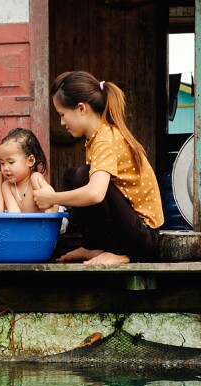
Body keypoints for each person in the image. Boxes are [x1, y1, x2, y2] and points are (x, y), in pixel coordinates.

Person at [33, 70, 164, 264]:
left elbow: (95, 194)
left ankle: (121, 254)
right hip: (133, 231)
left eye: (62, 114)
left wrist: (52, 198)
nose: (62, 122)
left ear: (81, 108)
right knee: (73, 176)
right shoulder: (96, 137)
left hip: (142, 238)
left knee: (84, 177)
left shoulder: (105, 139)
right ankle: (94, 246)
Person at [0, 127, 58, 213]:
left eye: (11, 162)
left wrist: (48, 219)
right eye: (2, 163)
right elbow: (14, 212)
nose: (5, 168)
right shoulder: (6, 186)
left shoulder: (35, 178)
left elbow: (54, 203)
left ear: (30, 161)